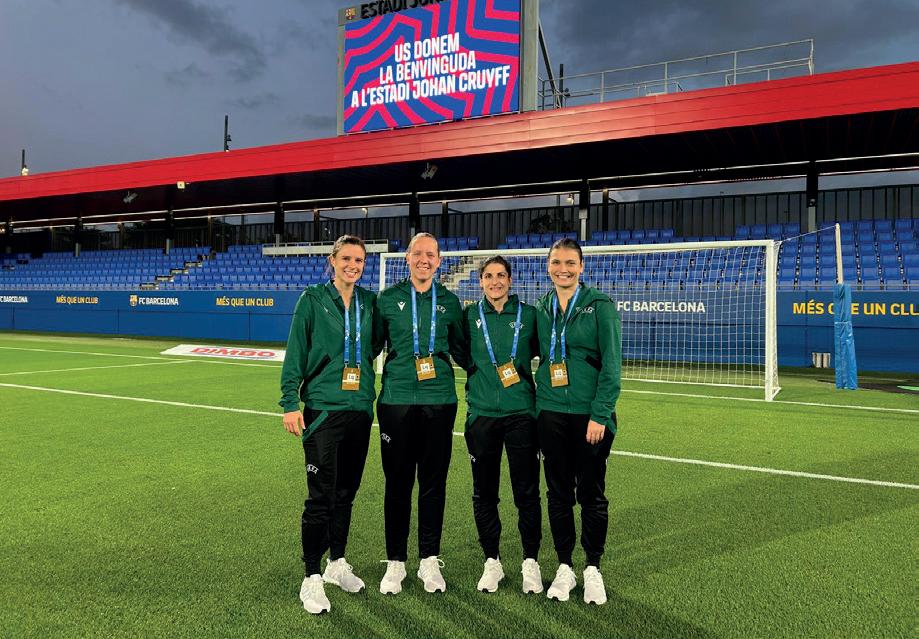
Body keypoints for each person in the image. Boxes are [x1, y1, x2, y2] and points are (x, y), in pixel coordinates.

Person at [279, 235, 381, 614]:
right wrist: (290, 402)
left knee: (345, 493)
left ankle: (336, 563)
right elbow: (296, 351)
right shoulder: (312, 300)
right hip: (323, 409)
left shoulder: (370, 302)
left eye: (359, 260)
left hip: (360, 409)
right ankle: (311, 576)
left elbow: (373, 347)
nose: (353, 265)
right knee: (320, 496)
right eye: (347, 258)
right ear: (333, 260)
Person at [375, 232, 469, 595]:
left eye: (430, 254)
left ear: (439, 261)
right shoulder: (387, 299)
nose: (424, 260)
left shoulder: (450, 302)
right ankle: (395, 562)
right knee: (397, 483)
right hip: (396, 401)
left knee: (433, 483)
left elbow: (463, 350)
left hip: (439, 401)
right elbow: (370, 346)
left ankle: (429, 559)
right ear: (407, 258)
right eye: (418, 254)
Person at [534, 238, 622, 605]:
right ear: (548, 266)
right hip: (550, 413)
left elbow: (612, 366)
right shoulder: (541, 308)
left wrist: (600, 414)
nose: (563, 269)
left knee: (590, 494)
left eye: (570, 263)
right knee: (557, 494)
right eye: (557, 262)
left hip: (590, 418)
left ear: (581, 267)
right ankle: (564, 566)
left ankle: (593, 567)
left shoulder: (600, 306)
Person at [462, 256, 543, 594]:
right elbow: (461, 354)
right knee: (484, 493)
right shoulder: (468, 317)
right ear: (480, 281)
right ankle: (491, 561)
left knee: (527, 492)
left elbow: (543, 352)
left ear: (510, 280)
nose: (495, 281)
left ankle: (530, 562)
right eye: (488, 276)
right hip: (482, 416)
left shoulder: (530, 316)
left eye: (500, 275)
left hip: (521, 414)